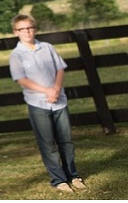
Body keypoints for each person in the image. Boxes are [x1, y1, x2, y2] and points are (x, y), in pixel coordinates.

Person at [9, 13, 86, 193]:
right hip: (38, 104)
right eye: (22, 29)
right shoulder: (17, 55)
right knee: (48, 143)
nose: (27, 32)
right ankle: (59, 180)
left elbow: (60, 69)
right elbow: (21, 79)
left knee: (66, 141)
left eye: (30, 28)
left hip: (59, 101)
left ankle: (73, 175)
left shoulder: (47, 48)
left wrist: (56, 89)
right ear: (16, 32)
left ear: (35, 29)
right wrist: (46, 91)